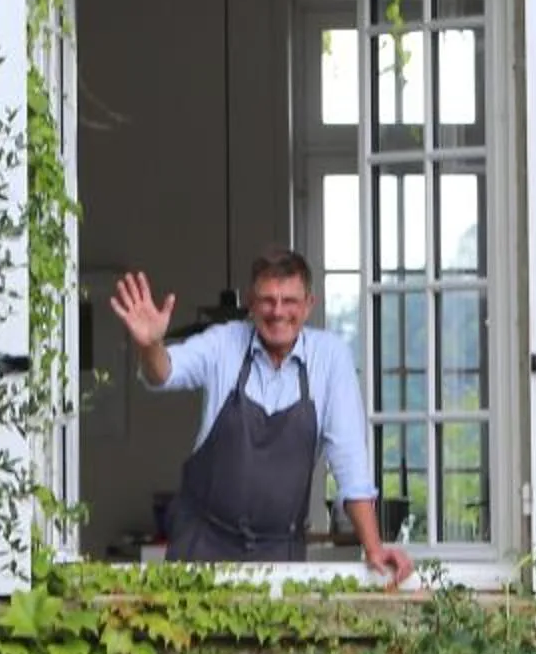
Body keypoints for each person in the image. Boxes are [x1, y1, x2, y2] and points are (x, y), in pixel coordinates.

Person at [110, 247, 416, 583]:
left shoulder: (331, 358)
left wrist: (373, 548)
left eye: (290, 301)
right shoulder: (223, 343)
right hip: (200, 546)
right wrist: (150, 345)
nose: (278, 312)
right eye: (268, 300)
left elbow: (350, 464)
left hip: (279, 555)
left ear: (309, 304)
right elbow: (163, 374)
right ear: (252, 305)